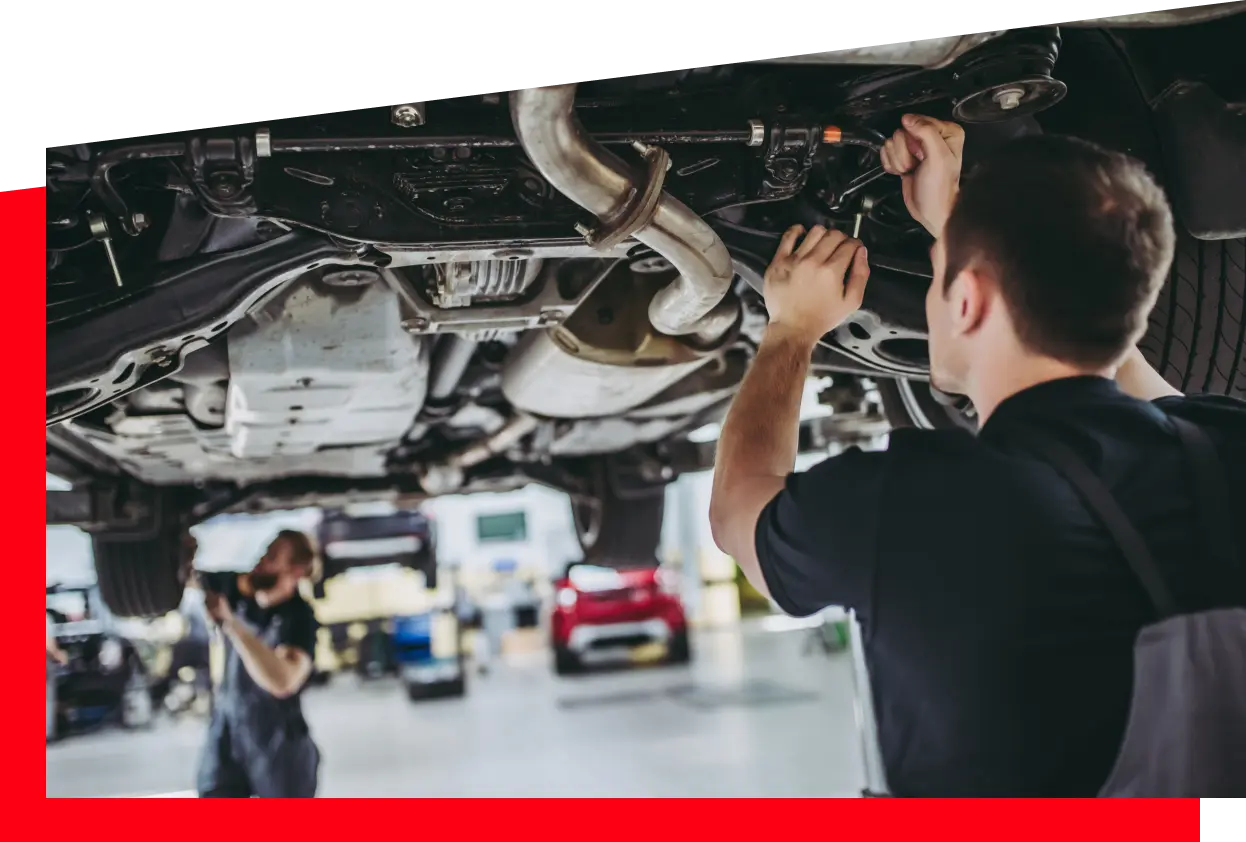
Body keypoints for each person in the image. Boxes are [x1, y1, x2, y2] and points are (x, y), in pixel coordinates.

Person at [709, 114, 1246, 796]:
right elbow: (1131, 366)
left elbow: (736, 511)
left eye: (937, 279)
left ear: (966, 301)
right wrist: (961, 226)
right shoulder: (1225, 448)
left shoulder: (908, 504)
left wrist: (790, 328)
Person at [193, 529, 321, 798]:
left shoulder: (298, 618)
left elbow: (283, 681)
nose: (261, 561)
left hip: (278, 740)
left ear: (296, 571)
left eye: (273, 557)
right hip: (228, 728)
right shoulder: (236, 591)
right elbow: (187, 579)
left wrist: (232, 626)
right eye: (265, 552)